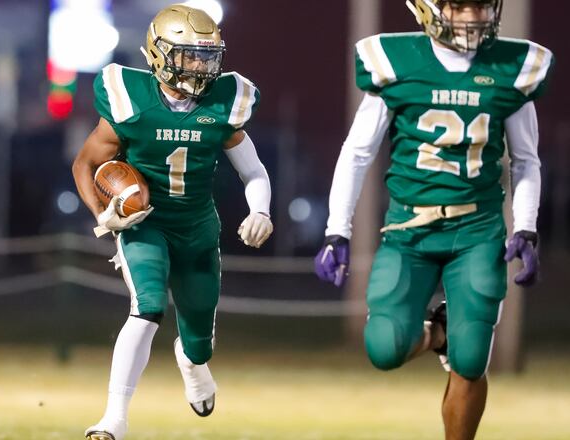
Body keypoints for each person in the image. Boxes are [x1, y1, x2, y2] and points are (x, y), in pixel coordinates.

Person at [315, 0, 553, 438]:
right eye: (461, 6)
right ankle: (440, 335)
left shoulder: (512, 67)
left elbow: (526, 160)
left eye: (481, 5)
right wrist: (337, 230)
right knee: (385, 347)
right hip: (409, 231)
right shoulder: (396, 62)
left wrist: (526, 226)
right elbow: (358, 152)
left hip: (477, 230)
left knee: (472, 358)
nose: (473, 17)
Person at [72, 4, 273, 439]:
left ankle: (192, 361)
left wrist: (260, 210)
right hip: (146, 222)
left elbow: (253, 171)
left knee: (199, 339)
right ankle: (113, 419)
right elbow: (85, 163)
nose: (200, 66)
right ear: (159, 54)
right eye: (190, 56)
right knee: (146, 308)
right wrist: (103, 214)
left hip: (198, 227)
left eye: (207, 56)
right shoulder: (131, 99)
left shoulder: (224, 101)